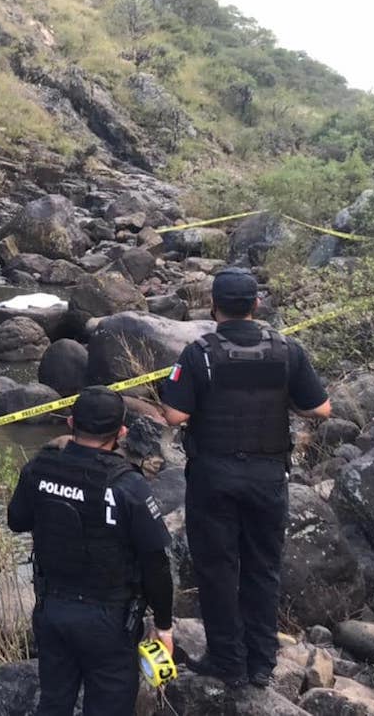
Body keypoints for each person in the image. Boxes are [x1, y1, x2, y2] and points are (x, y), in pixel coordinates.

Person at [159, 267, 332, 690]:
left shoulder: (198, 353)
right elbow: (322, 409)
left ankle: (226, 660)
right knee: (262, 569)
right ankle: (260, 663)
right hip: (268, 475)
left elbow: (175, 415)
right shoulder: (287, 350)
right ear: (256, 305)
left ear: (213, 306)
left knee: (217, 569)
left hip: (214, 477)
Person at [7, 385, 174, 716]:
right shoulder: (128, 485)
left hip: (52, 610)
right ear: (122, 433)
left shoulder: (40, 468)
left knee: (54, 702)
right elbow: (156, 562)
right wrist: (164, 626)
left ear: (70, 423)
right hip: (108, 619)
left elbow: (16, 521)